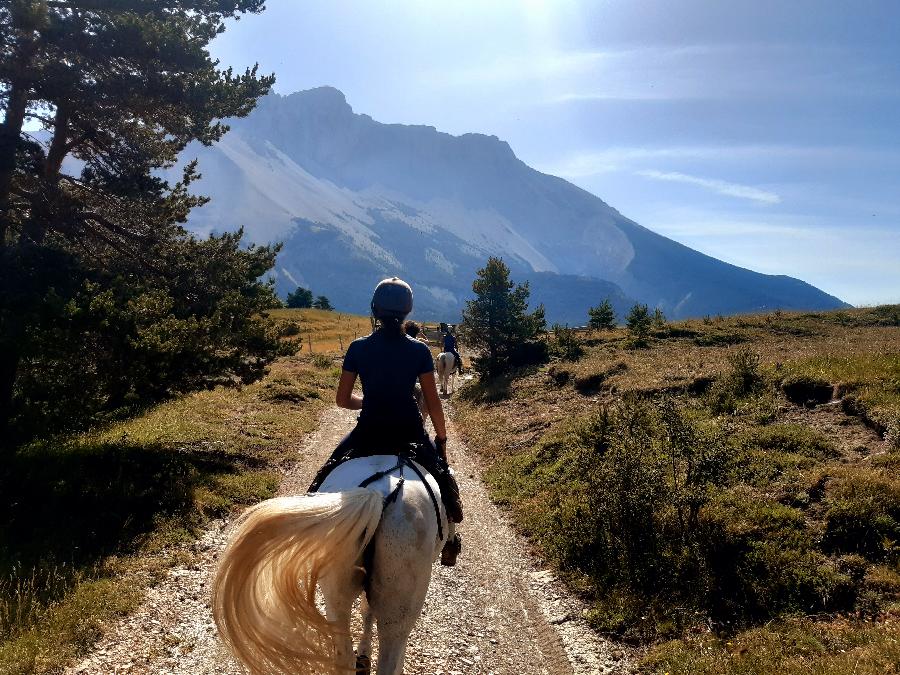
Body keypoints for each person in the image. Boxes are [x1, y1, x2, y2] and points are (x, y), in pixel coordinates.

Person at [308, 278, 463, 566]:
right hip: (410, 434)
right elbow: (432, 401)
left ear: (374, 310)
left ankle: (309, 534)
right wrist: (441, 439)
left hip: (367, 432)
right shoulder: (418, 350)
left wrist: (372, 402)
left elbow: (342, 400)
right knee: (444, 479)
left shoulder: (357, 348)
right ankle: (451, 536)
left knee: (321, 478)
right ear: (408, 311)